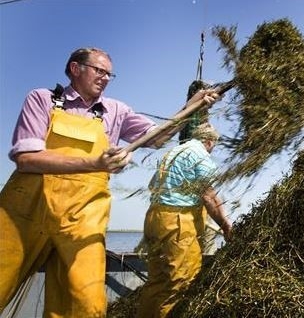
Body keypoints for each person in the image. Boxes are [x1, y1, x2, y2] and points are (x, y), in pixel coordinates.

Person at [0, 47, 221, 318]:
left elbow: (157, 137)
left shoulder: (115, 111)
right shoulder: (43, 99)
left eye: (109, 74)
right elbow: (26, 159)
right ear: (75, 68)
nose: (105, 78)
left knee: (87, 306)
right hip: (24, 215)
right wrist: (94, 164)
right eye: (99, 71)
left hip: (81, 221)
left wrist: (190, 108)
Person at [137, 123, 233, 318]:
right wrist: (225, 224)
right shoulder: (201, 157)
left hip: (155, 218)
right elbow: (209, 196)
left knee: (156, 280)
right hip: (178, 223)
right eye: (213, 146)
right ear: (209, 141)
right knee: (180, 283)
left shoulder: (174, 152)